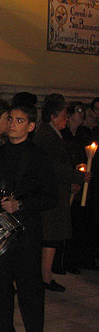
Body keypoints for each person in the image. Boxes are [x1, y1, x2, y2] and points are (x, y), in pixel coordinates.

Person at [0, 104, 56, 332]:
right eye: (10, 119)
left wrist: (20, 205)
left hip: (27, 232)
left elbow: (50, 197)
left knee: (29, 291)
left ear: (31, 126)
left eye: (19, 120)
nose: (12, 124)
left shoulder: (39, 156)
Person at [33, 94, 86, 292]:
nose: (66, 118)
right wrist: (77, 177)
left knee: (52, 238)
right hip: (50, 196)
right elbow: (52, 166)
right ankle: (43, 277)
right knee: (49, 237)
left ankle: (45, 276)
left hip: (56, 193)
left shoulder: (53, 134)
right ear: (54, 116)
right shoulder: (46, 135)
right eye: (63, 114)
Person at [62, 102, 95, 272]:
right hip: (69, 183)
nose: (81, 114)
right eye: (78, 111)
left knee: (81, 223)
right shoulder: (63, 135)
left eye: (83, 111)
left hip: (83, 184)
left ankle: (80, 259)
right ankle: (64, 261)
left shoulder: (84, 134)